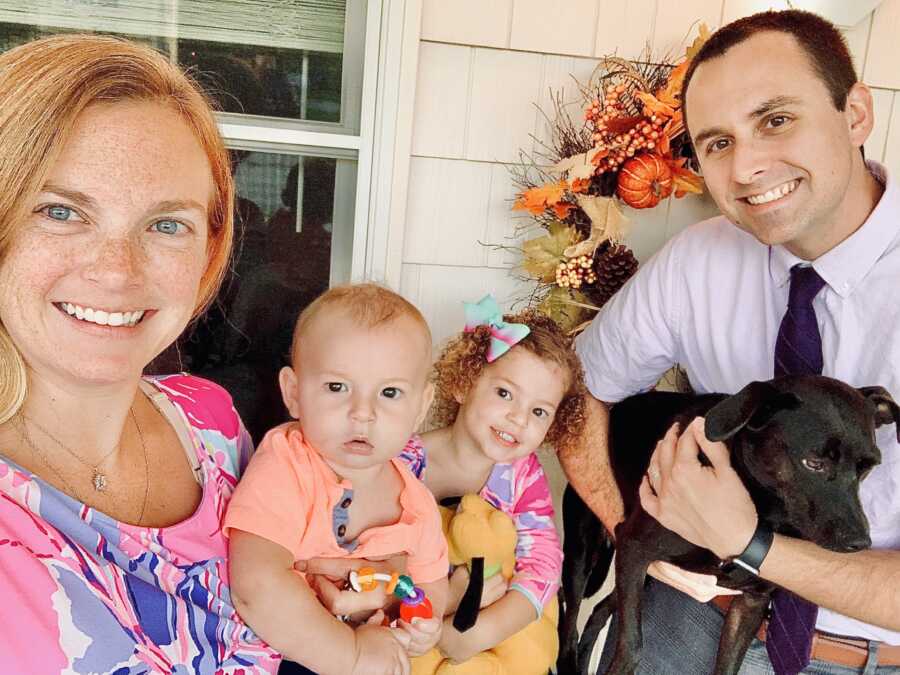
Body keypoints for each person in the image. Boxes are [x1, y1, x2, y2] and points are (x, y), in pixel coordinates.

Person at [561, 9, 900, 674]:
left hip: (867, 647)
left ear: (855, 113)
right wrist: (636, 530)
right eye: (716, 143)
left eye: (776, 119)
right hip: (694, 613)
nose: (746, 167)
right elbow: (577, 389)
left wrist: (750, 546)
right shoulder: (700, 259)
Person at [0, 34, 280, 672]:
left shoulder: (212, 426)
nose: (117, 272)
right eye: (61, 211)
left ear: (209, 248)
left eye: (165, 224)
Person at [225, 283, 449, 675]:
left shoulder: (416, 504)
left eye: (390, 393)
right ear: (293, 393)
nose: (363, 413)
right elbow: (255, 584)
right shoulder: (287, 466)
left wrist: (422, 627)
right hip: (287, 655)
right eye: (337, 387)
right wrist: (351, 655)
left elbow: (430, 584)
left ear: (420, 408)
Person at [401, 296, 586, 667]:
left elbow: (543, 564)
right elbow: (373, 557)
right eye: (505, 394)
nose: (518, 419)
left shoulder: (522, 475)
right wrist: (449, 602)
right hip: (416, 620)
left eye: (538, 411)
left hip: (495, 626)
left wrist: (484, 629)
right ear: (464, 384)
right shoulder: (403, 464)